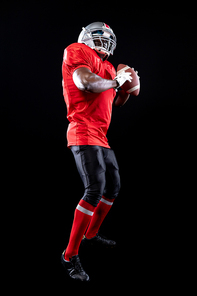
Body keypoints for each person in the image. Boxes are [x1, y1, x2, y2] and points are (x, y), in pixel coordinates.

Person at [61, 22, 133, 281]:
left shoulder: (110, 66)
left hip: (101, 135)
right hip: (82, 129)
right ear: (87, 36)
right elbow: (85, 83)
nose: (105, 41)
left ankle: (90, 234)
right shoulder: (77, 50)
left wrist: (127, 87)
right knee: (95, 189)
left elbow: (114, 100)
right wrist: (115, 81)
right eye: (100, 36)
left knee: (113, 187)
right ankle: (70, 255)